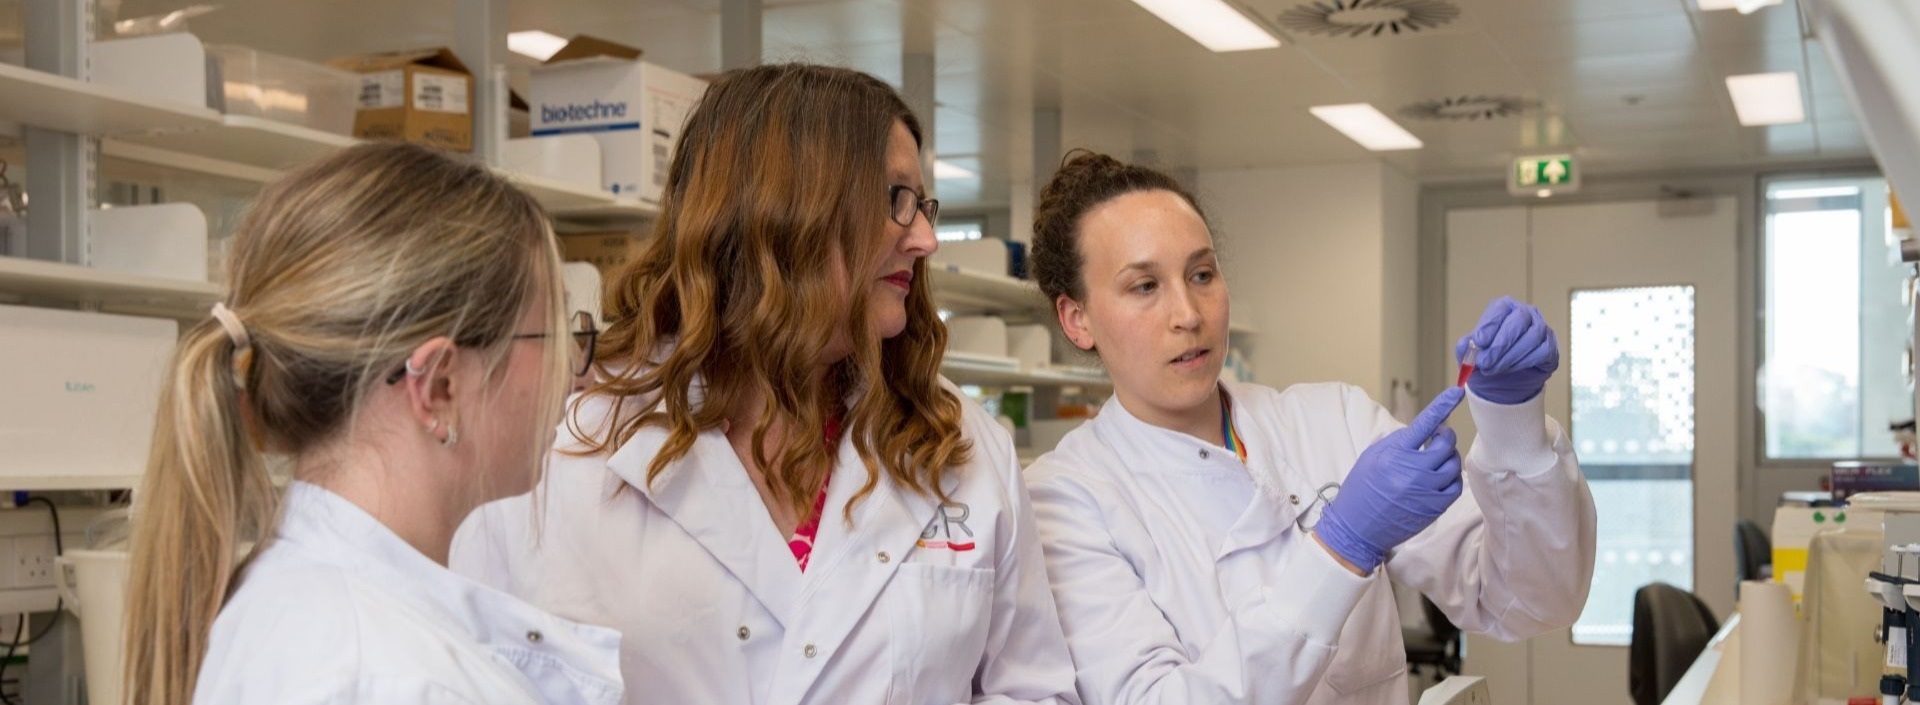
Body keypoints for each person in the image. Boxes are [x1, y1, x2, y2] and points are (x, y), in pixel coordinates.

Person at [451, 63, 1080, 705]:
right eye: (897, 199)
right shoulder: (569, 439)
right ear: (784, 213)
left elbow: (1033, 688)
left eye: (923, 205)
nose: (924, 238)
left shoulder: (965, 445)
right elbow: (468, 674)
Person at [1022, 151, 1596, 705]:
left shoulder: (1334, 422)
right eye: (1144, 286)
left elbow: (1531, 601)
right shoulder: (1066, 498)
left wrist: (1513, 422)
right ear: (1077, 320)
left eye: (1202, 274)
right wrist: (1339, 549)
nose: (1189, 314)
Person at [120, 143, 621, 705]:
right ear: (439, 388)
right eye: (551, 337)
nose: (576, 376)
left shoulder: (310, 607)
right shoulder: (392, 678)